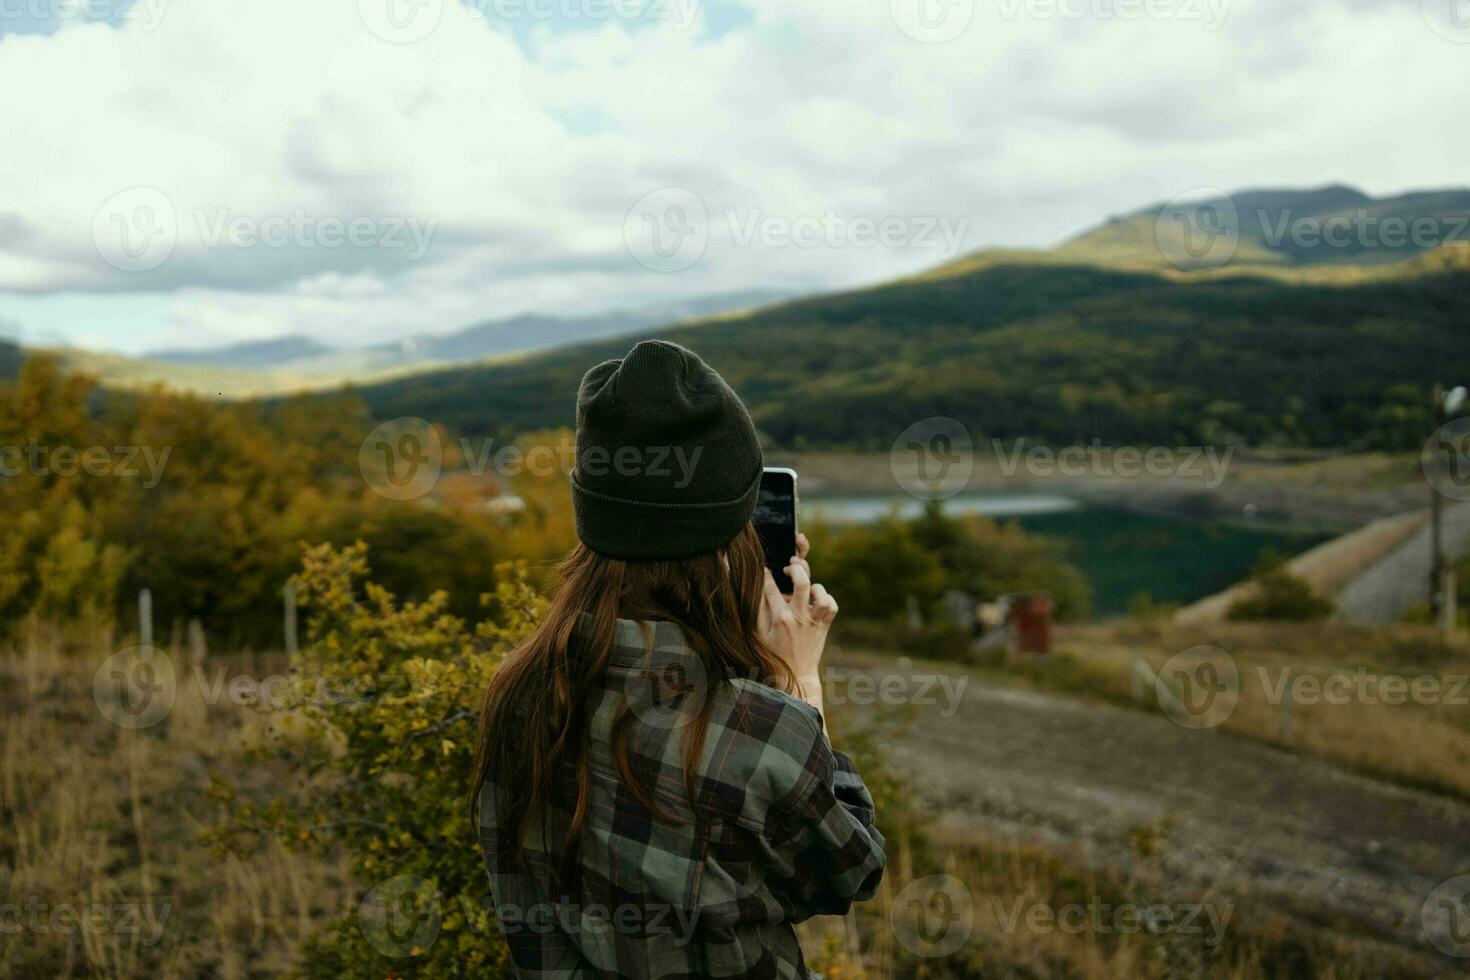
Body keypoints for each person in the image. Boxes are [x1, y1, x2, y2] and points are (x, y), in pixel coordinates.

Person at [472, 339, 886, 978]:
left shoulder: (519, 686)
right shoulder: (761, 727)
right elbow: (847, 873)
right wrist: (795, 679)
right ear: (730, 540)